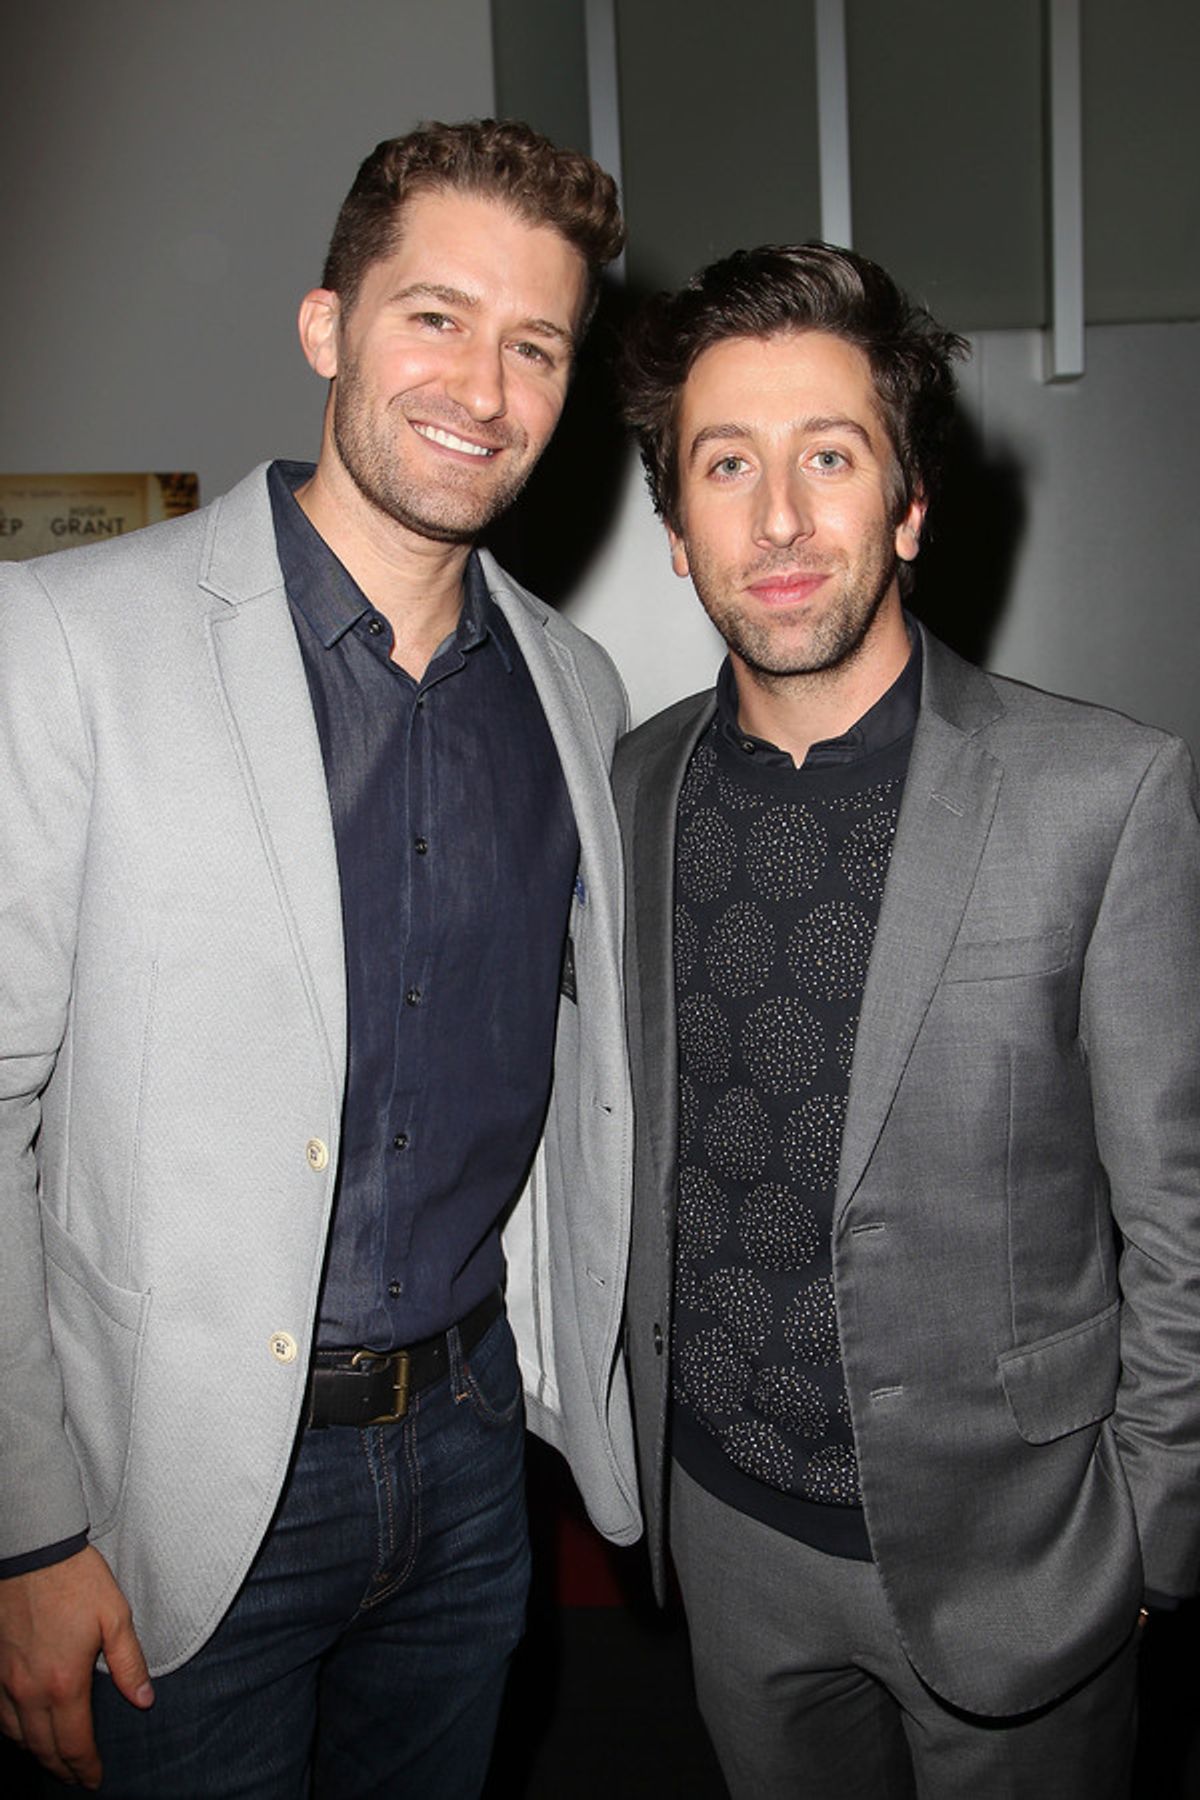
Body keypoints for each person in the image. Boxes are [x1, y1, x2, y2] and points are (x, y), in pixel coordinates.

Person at [0, 118, 640, 1798]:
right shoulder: (71, 643)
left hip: (473, 1461)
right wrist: (24, 1534)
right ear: (326, 328)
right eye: (434, 316)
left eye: (535, 344)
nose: (482, 388)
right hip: (174, 1498)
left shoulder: (578, 694)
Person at [614, 240, 1200, 1799]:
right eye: (727, 465)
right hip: (727, 1535)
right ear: (677, 531)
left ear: (911, 503)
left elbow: (1184, 1220)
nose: (783, 517)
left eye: (832, 457)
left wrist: (1154, 1530)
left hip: (1027, 1551)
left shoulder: (1106, 794)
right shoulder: (630, 789)